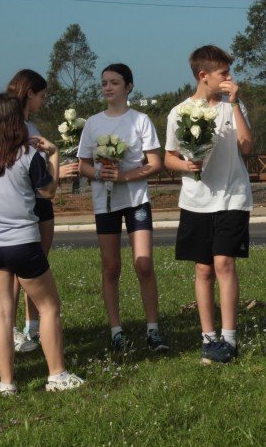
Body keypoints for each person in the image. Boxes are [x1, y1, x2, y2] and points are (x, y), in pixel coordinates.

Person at [0, 93, 84, 394]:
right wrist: (53, 153)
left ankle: (7, 382)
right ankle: (56, 375)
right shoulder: (28, 155)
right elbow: (49, 192)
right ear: (18, 121)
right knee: (49, 307)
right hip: (22, 242)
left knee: (0, 314)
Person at [164, 45, 254, 364]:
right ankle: (208, 337)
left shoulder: (233, 108)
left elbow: (246, 146)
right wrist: (186, 166)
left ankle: (229, 339)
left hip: (233, 197)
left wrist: (236, 104)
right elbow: (169, 158)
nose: (230, 77)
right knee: (203, 269)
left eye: (230, 72)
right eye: (224, 73)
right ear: (204, 76)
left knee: (224, 264)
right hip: (196, 201)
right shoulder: (179, 112)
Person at [77, 63, 168, 352]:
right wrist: (100, 174)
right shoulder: (92, 123)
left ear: (128, 87)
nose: (107, 87)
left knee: (143, 264)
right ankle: (116, 331)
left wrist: (125, 176)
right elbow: (83, 165)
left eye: (114, 82)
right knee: (111, 267)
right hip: (105, 203)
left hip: (136, 200)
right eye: (104, 82)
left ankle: (153, 330)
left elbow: (155, 163)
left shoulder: (141, 120)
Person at [5, 69, 78, 353]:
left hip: (42, 204)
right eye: (42, 95)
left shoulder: (31, 127)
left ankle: (31, 326)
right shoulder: (11, 129)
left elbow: (43, 174)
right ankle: (10, 330)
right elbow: (34, 177)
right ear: (29, 93)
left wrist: (55, 165)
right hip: (27, 203)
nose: (43, 101)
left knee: (37, 268)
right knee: (16, 273)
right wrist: (55, 161)